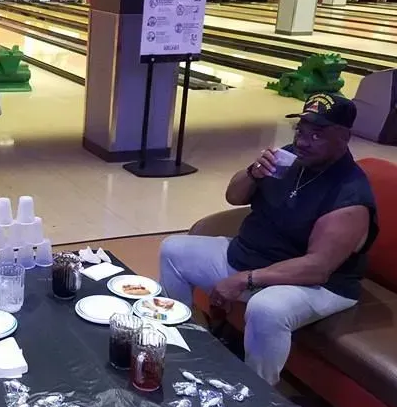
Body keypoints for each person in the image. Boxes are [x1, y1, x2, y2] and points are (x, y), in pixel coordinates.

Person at [159, 93, 378, 385]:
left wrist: (244, 279)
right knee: (173, 250)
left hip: (315, 285)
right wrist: (253, 172)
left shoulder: (349, 195)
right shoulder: (288, 159)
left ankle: (259, 395)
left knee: (267, 308)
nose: (303, 141)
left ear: (344, 137)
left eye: (317, 134)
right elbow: (234, 196)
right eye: (301, 130)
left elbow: (317, 267)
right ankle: (183, 346)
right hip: (252, 258)